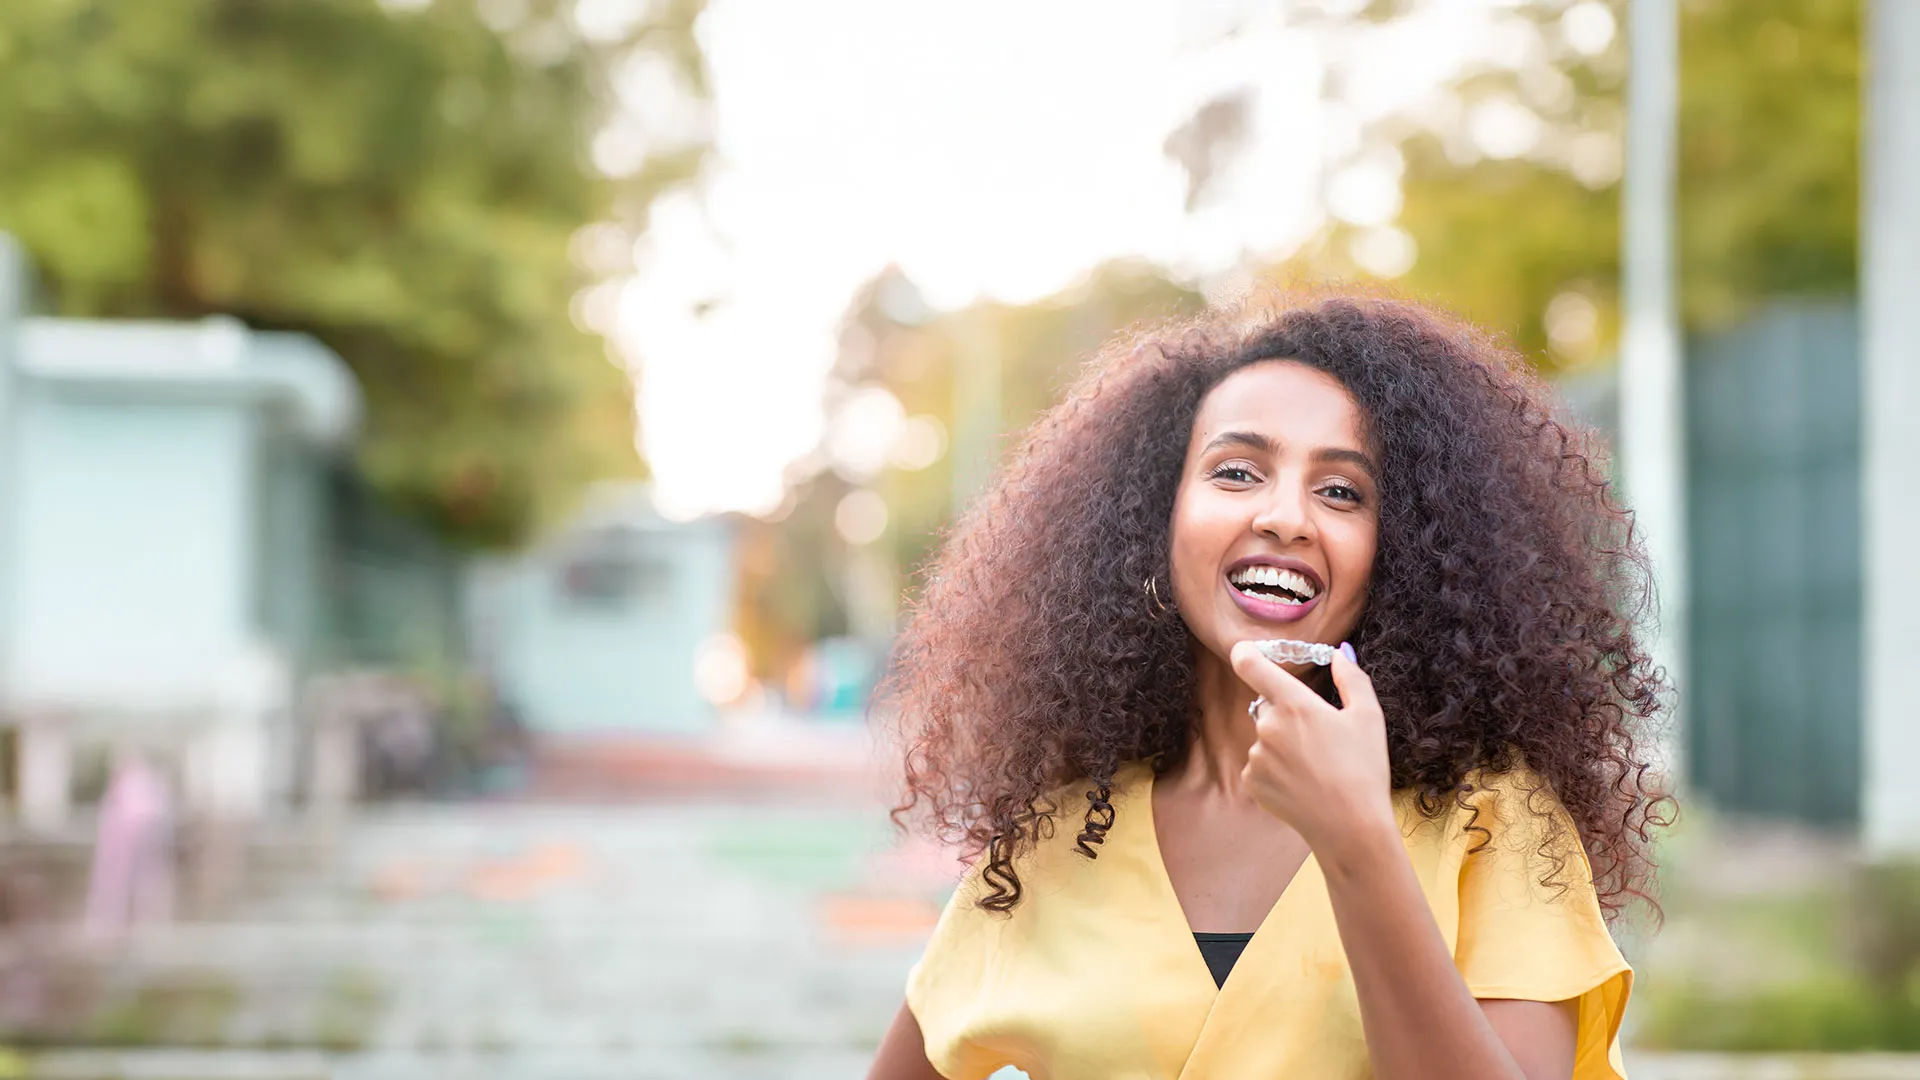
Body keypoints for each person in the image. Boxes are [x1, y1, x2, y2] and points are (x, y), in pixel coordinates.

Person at [865, 291, 1674, 1080]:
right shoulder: (1055, 838)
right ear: (1156, 520)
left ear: (1402, 556)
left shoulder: (1495, 818)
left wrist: (1358, 843)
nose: (1286, 516)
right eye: (1237, 472)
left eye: (1341, 492)